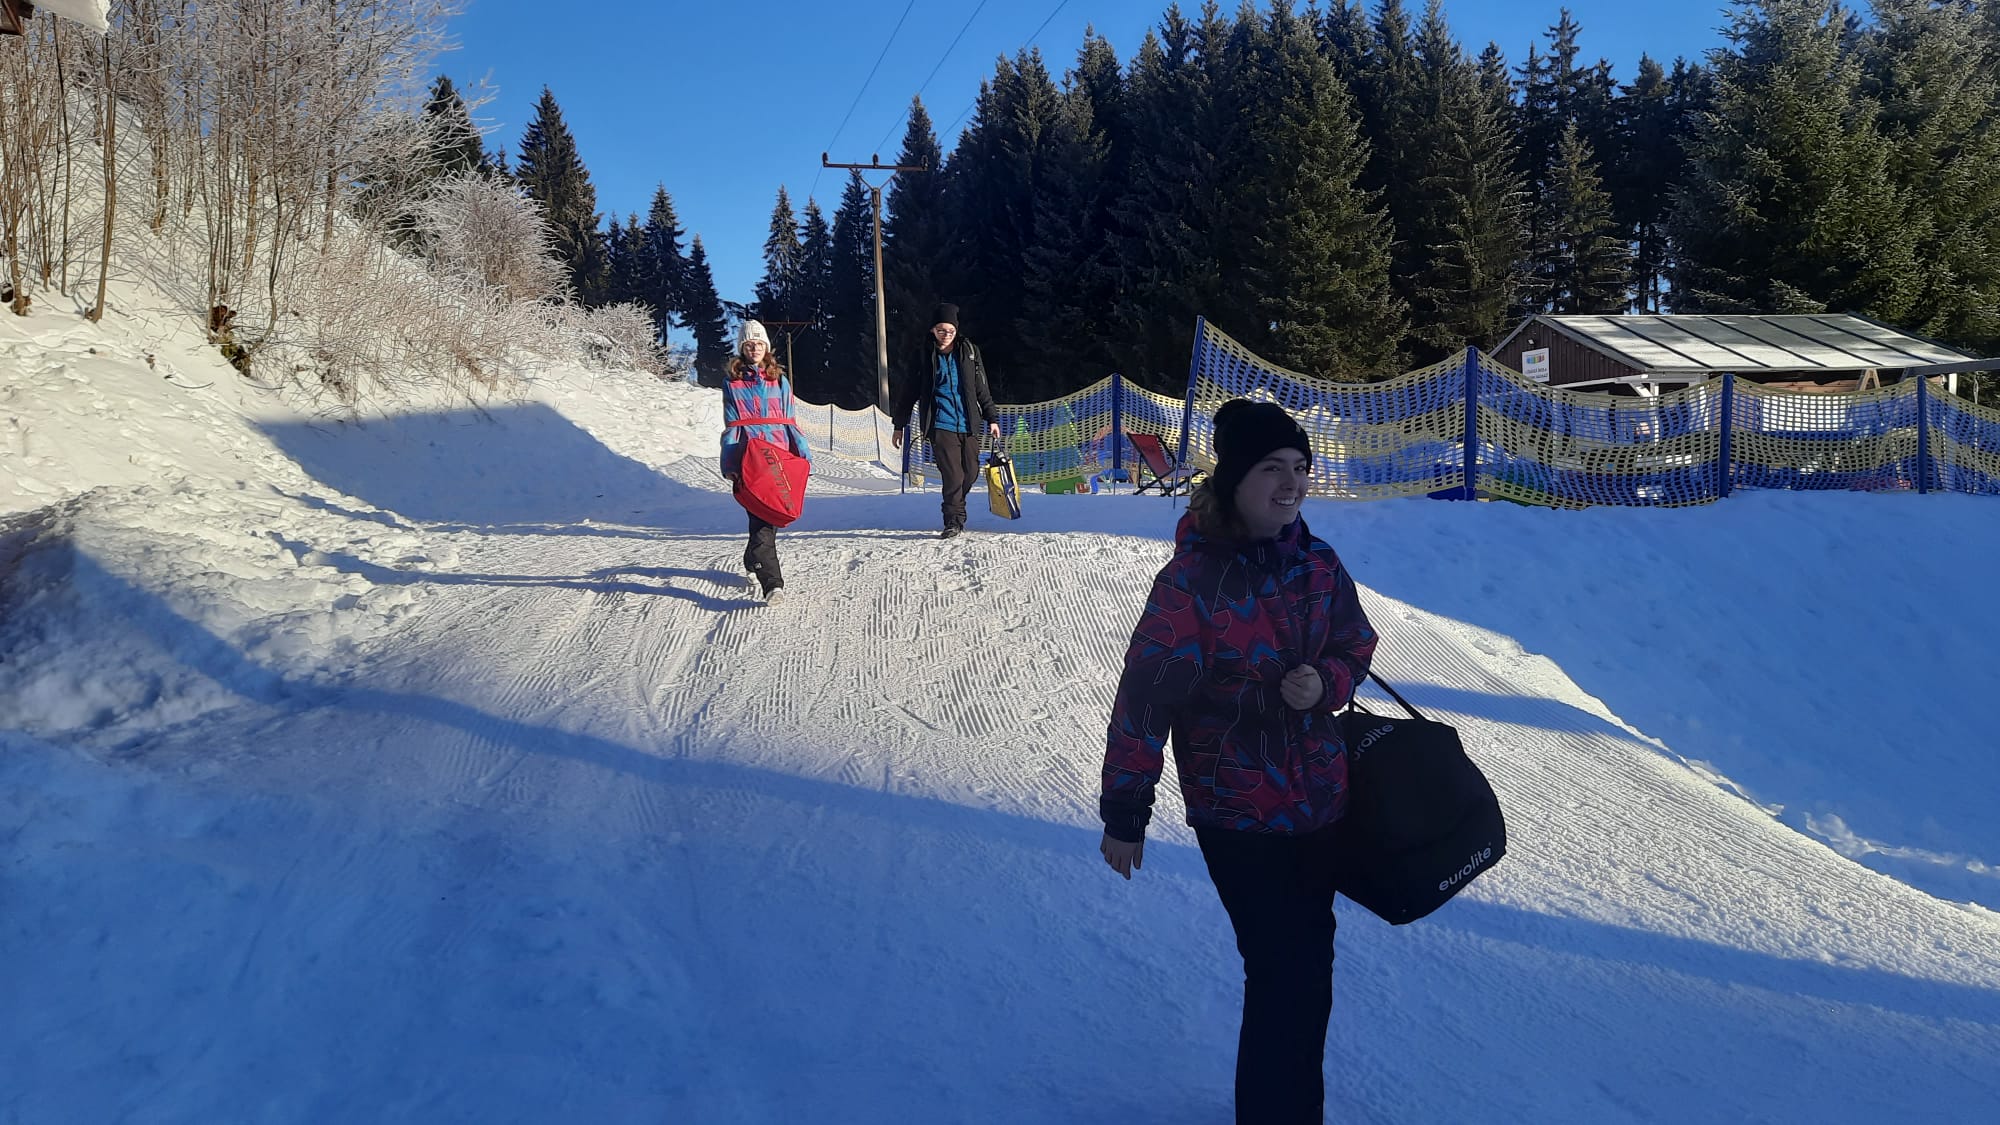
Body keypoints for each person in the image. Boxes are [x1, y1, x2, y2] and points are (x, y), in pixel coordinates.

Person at [1097, 399, 1378, 1125]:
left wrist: (1327, 683)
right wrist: (1126, 810)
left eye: (1299, 468)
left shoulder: (1320, 563)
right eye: (1271, 469)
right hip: (1239, 811)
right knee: (1284, 971)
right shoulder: (1192, 582)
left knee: (1308, 971)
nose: (1291, 484)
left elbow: (1355, 643)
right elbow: (1145, 700)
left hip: (1320, 803)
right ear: (1234, 479)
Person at [889, 302, 1002, 539]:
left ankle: (956, 504)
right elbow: (909, 390)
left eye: (950, 331)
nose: (946, 335)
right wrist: (899, 424)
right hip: (940, 423)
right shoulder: (923, 355)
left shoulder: (969, 351)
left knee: (971, 473)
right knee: (953, 476)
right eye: (941, 330)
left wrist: (991, 418)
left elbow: (981, 388)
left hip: (968, 423)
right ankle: (953, 520)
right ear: (932, 329)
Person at [720, 319, 813, 605]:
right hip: (751, 458)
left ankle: (753, 560)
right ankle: (773, 584)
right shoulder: (732, 383)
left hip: (778, 456)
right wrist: (730, 463)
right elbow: (732, 425)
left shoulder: (779, 381)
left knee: (770, 517)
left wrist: (802, 454)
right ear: (742, 348)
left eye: (759, 343)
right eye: (749, 344)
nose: (755, 348)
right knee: (761, 520)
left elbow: (789, 421)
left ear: (766, 347)